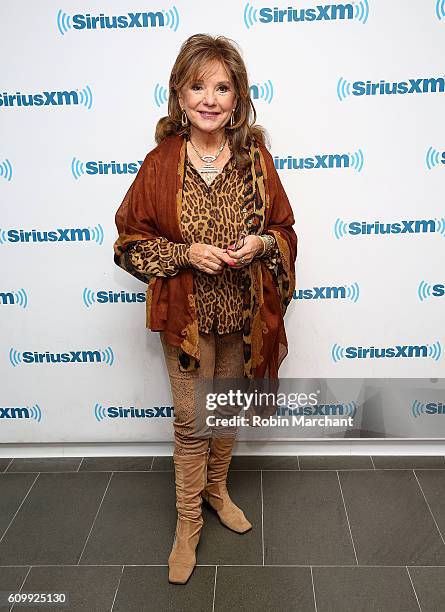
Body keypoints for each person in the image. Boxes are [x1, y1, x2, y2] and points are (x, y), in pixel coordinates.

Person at [113, 33, 297, 584]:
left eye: (223, 87)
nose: (210, 98)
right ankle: (187, 525)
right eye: (198, 86)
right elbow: (128, 242)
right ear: (179, 93)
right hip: (187, 321)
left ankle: (216, 490)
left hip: (244, 317)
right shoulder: (160, 162)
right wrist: (184, 253)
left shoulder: (256, 160)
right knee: (192, 423)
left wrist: (260, 246)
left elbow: (284, 230)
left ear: (238, 98)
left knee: (225, 413)